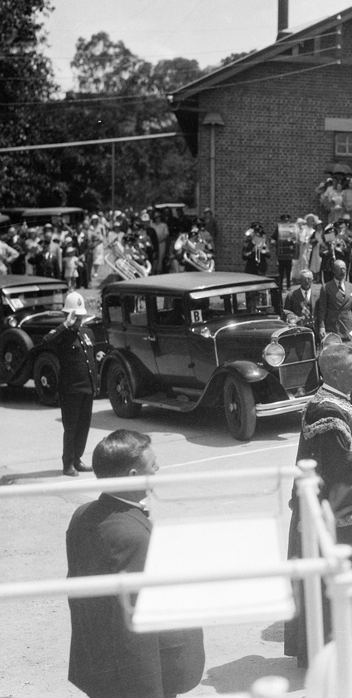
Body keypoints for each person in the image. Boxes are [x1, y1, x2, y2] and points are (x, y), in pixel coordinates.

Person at [67, 430, 205, 698]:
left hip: (103, 667)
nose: (157, 469)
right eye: (152, 466)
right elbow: (135, 625)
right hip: (143, 677)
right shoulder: (133, 536)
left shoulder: (82, 516)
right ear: (133, 476)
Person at [284, 344, 352, 664]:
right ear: (336, 373)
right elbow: (342, 468)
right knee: (337, 586)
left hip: (336, 510)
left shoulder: (334, 402)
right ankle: (336, 656)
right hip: (337, 515)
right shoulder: (327, 410)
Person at [44, 292, 99, 476]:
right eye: (75, 316)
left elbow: (91, 359)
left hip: (87, 388)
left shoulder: (86, 333)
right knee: (71, 428)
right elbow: (47, 342)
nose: (78, 320)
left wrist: (95, 385)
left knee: (84, 426)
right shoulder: (62, 336)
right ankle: (67, 463)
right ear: (67, 315)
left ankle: (77, 458)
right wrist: (65, 325)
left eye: (80, 317)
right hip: (71, 389)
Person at [315, 260, 352, 342]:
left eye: (344, 269)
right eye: (340, 269)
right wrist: (322, 327)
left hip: (348, 327)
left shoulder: (351, 287)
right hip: (333, 327)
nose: (343, 272)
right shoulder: (326, 287)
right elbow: (322, 310)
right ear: (334, 271)